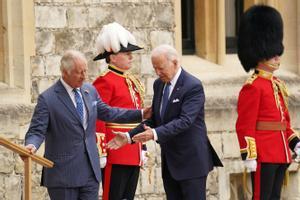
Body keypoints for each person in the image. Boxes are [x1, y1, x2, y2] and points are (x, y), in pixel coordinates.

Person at [24, 50, 150, 200]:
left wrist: (141, 113)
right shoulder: (48, 98)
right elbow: (37, 131)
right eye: (79, 72)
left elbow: (109, 113)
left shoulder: (89, 91)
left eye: (85, 70)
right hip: (64, 174)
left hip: (90, 172)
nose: (84, 76)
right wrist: (31, 145)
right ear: (64, 72)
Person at [108, 44, 223, 200]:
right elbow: (154, 119)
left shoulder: (192, 86)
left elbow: (185, 121)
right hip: (170, 162)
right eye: (155, 68)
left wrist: (154, 134)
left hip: (191, 161)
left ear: (175, 63)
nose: (157, 72)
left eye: (161, 68)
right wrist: (129, 137)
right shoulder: (159, 84)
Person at [235, 5, 300, 200]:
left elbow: (284, 122)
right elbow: (244, 125)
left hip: (280, 152)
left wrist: (295, 144)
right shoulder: (253, 87)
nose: (277, 56)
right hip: (264, 152)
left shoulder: (277, 84)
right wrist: (249, 154)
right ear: (259, 53)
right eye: (272, 52)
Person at [92, 22, 147, 200]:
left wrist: (143, 147)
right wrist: (101, 152)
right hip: (115, 152)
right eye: (126, 53)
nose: (131, 56)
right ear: (113, 57)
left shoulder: (131, 80)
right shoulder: (104, 81)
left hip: (133, 149)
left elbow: (140, 118)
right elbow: (98, 119)